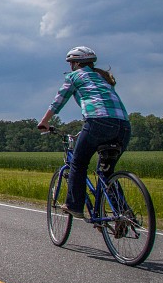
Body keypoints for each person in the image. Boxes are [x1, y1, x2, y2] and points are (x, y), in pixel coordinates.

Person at [37, 46, 131, 219]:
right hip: (123, 126)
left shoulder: (74, 76)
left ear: (77, 63)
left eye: (71, 63)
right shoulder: (103, 78)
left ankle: (74, 205)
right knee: (106, 172)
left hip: (97, 122)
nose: (70, 66)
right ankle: (122, 213)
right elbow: (108, 110)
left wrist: (44, 122)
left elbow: (58, 101)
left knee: (78, 163)